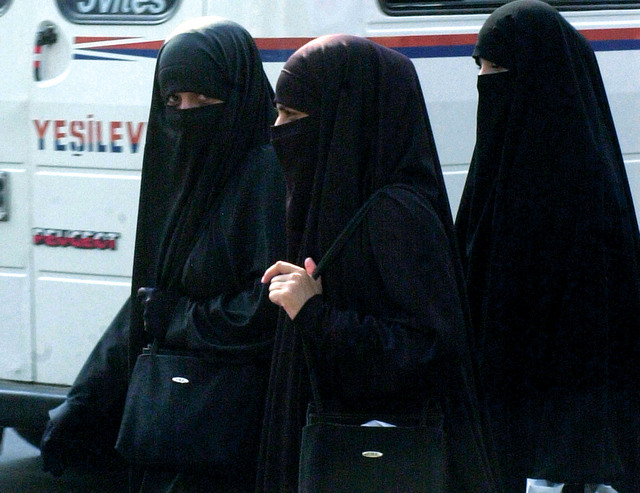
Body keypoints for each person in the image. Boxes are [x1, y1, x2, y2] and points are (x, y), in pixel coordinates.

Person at [40, 17, 286, 492]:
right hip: (174, 426)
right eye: (174, 101)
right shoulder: (185, 177)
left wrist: (181, 318)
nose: (186, 114)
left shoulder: (265, 174)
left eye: (204, 100)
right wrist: (83, 400)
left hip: (235, 434)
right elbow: (148, 300)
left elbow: (268, 306)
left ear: (237, 97)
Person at [258, 34, 497, 492]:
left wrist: (315, 314)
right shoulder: (341, 198)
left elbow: (427, 350)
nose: (278, 129)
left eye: (293, 116)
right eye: (278, 112)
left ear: (345, 120)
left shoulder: (396, 213)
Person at [455, 1, 640, 492]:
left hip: (554, 455)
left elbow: (592, 339)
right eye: (480, 67)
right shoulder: (496, 172)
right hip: (498, 430)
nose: (485, 81)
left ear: (540, 78)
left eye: (497, 69)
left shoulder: (584, 195)